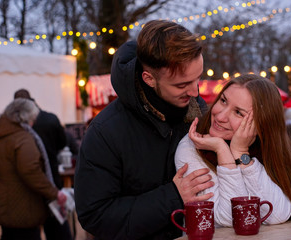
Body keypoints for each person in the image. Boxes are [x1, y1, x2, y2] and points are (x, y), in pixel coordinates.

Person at [74, 20, 211, 240]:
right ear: (149, 79)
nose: (195, 91)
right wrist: (173, 196)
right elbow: (95, 216)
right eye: (181, 84)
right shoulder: (105, 132)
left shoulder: (199, 112)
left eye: (198, 78)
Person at [175, 74, 291, 227]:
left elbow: (277, 215)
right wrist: (222, 150)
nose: (220, 116)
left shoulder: (265, 149)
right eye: (223, 101)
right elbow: (227, 219)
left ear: (260, 126)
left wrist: (240, 153)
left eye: (238, 112)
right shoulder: (191, 146)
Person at [0, 98, 66, 240]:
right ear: (25, 117)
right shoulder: (22, 138)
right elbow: (31, 171)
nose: (34, 122)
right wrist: (54, 193)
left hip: (6, 207)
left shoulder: (4, 134)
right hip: (23, 210)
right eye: (33, 118)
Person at [13, 89, 72, 240]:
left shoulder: (15, 126)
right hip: (51, 180)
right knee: (58, 230)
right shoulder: (50, 119)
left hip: (27, 188)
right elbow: (62, 144)